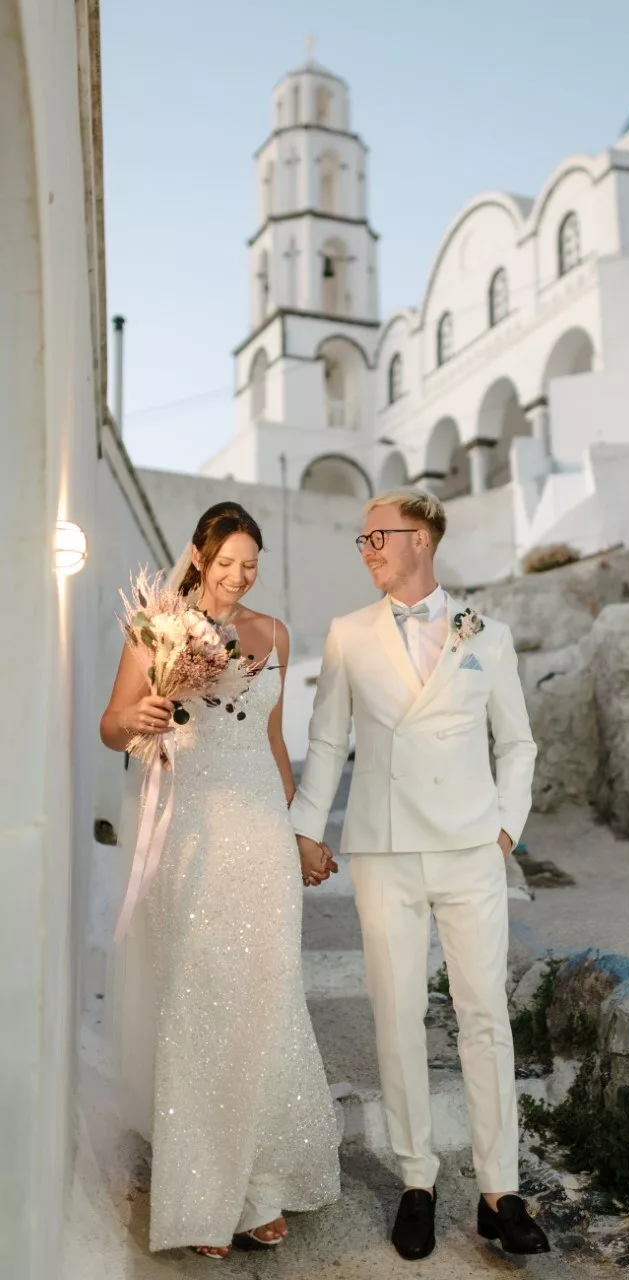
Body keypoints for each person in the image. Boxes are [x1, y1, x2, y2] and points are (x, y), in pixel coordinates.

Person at [290, 489, 550, 1260]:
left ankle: (500, 1192)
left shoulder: (488, 635)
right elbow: (328, 740)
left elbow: (520, 744)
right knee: (398, 1015)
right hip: (386, 848)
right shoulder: (348, 635)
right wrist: (307, 826)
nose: (366, 548)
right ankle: (416, 1180)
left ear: (421, 540)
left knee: (483, 1015)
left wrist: (507, 826)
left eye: (378, 535)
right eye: (361, 537)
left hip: (473, 849)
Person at [100, 501, 339, 1259]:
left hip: (260, 829)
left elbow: (273, 738)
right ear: (200, 556)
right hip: (193, 830)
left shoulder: (275, 633)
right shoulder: (157, 627)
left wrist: (300, 831)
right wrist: (139, 715)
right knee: (203, 994)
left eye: (251, 565)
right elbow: (112, 724)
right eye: (228, 562)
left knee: (267, 992)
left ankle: (263, 1184)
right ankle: (207, 1192)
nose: (240, 577)